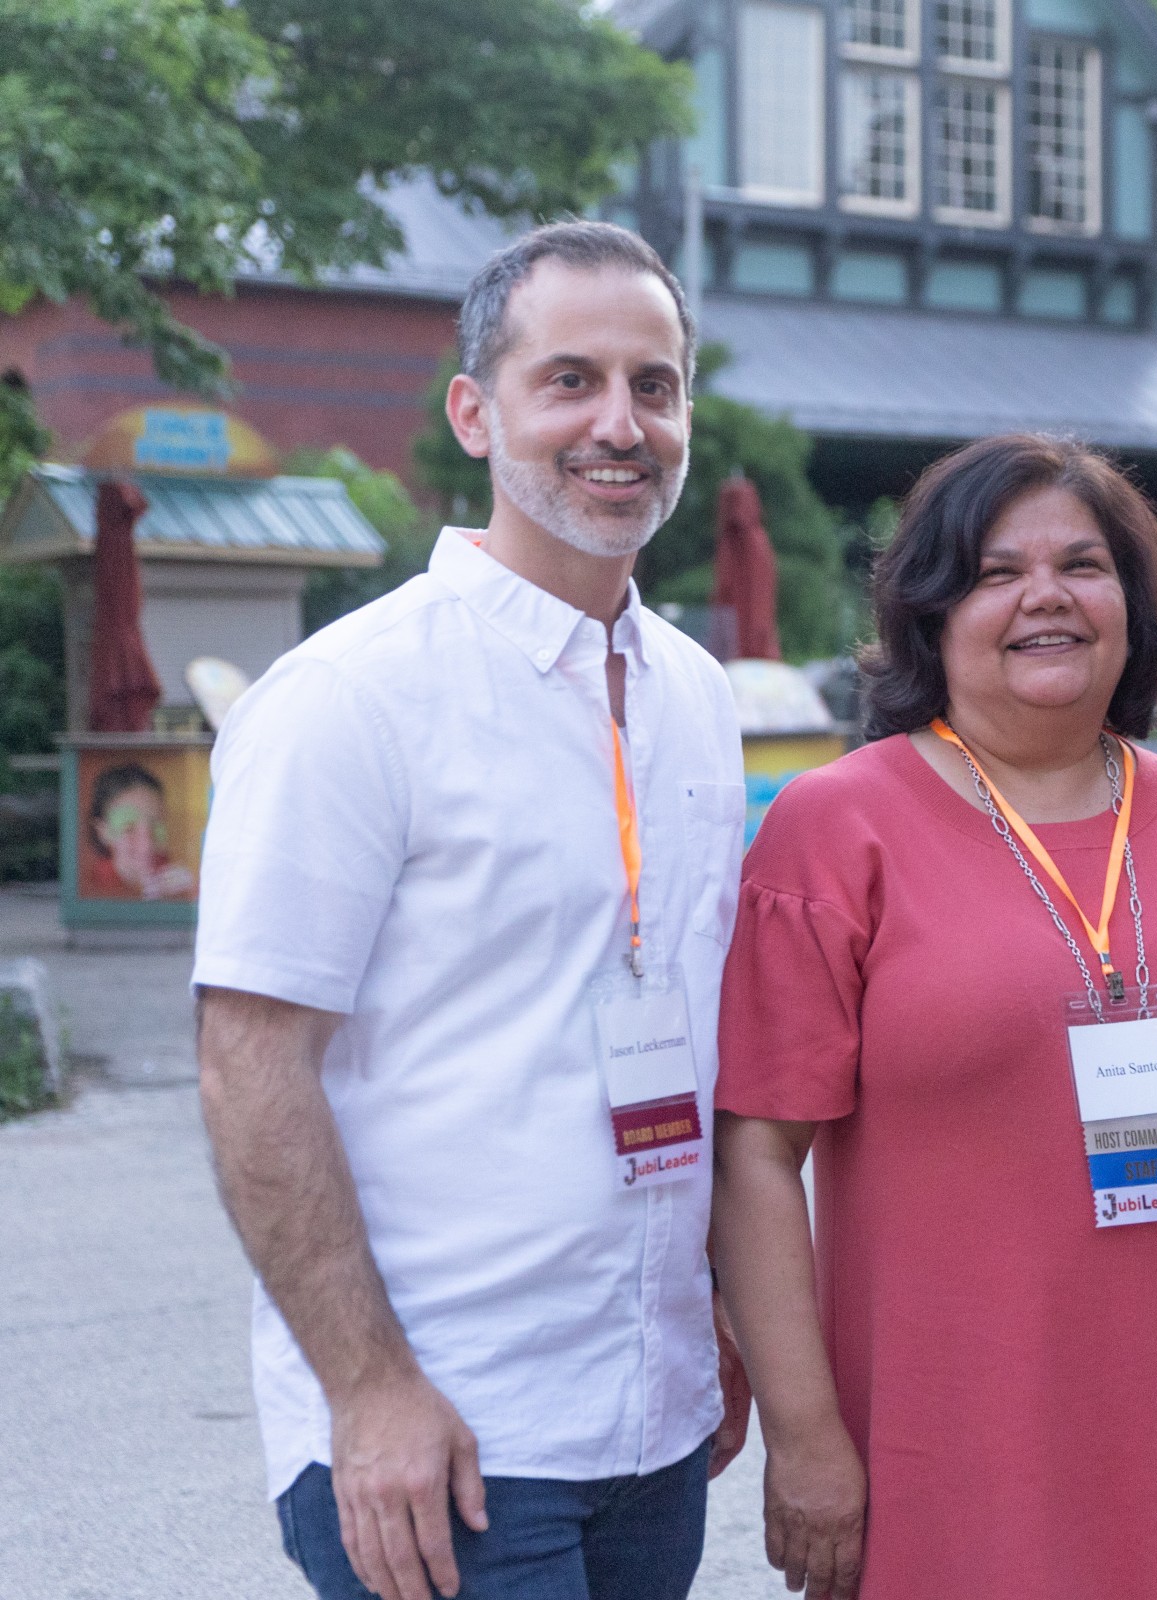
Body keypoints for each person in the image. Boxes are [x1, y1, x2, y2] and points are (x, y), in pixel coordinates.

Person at [193, 221, 750, 1600]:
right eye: (570, 381)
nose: (620, 425)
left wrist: (713, 1324)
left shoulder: (696, 694)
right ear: (471, 412)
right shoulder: (349, 699)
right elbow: (250, 1062)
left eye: (656, 386)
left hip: (653, 1415)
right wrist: (368, 1389)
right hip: (441, 1429)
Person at [711, 433, 1157, 1600]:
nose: (1045, 595)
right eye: (996, 572)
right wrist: (805, 1437)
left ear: (1133, 610)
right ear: (930, 613)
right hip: (944, 1442)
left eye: (1083, 566)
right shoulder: (836, 830)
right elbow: (754, 1152)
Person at [87, 762, 195, 898]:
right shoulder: (91, 892)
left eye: (156, 825)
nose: (146, 845)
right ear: (102, 832)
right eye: (129, 828)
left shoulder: (174, 879)